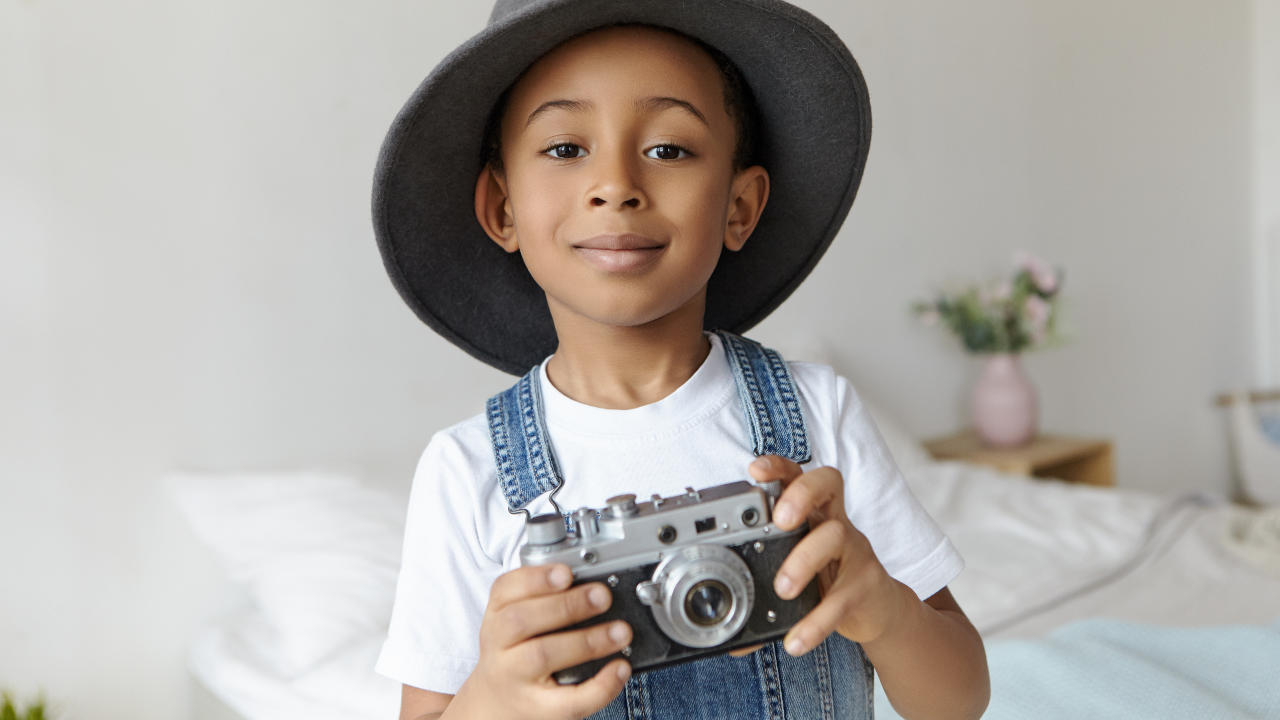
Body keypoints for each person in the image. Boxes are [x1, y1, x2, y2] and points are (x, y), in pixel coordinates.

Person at [370, 2, 990, 718]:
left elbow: (959, 701)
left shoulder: (820, 418)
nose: (616, 185)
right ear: (502, 208)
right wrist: (492, 698)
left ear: (739, 206)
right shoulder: (469, 472)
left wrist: (881, 608)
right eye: (566, 149)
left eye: (668, 149)